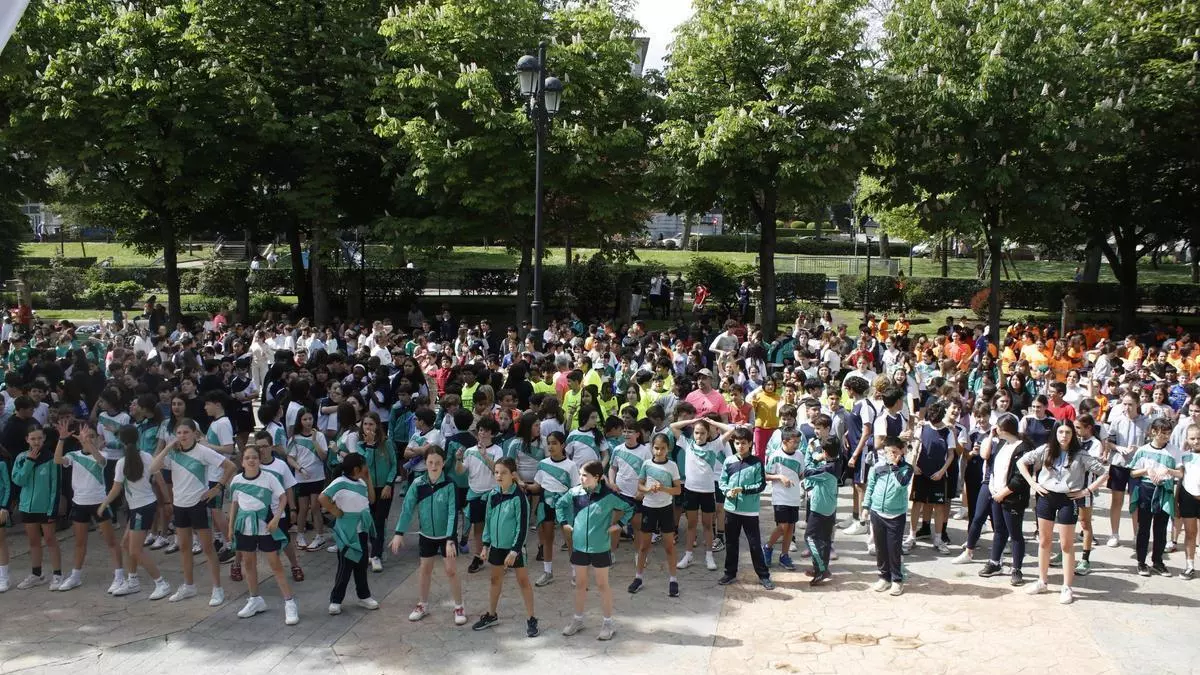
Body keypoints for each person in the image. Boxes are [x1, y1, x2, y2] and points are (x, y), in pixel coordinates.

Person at [1017, 421, 1107, 604]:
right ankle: (1042, 581)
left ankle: (1067, 587)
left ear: (1073, 434)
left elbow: (1104, 472)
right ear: (1055, 433)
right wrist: (1033, 483)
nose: (1064, 436)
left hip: (1068, 499)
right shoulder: (1046, 449)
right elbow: (1021, 461)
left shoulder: (1080, 454)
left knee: (1066, 544)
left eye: (1067, 432)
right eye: (1060, 432)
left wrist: (1087, 491)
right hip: (1046, 497)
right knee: (1044, 541)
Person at [150, 418, 236, 605]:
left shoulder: (203, 451)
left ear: (194, 434)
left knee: (208, 548)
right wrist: (168, 447)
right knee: (184, 547)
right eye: (179, 433)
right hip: (180, 505)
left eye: (186, 432)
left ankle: (217, 589)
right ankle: (189, 586)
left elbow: (230, 467)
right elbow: (153, 467)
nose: (182, 436)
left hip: (199, 505)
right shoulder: (173, 453)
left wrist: (217, 488)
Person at [392, 447, 466, 626]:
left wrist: (450, 539)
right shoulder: (418, 484)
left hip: (446, 536)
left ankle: (459, 606)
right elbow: (407, 509)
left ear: (443, 463)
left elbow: (452, 513)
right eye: (430, 462)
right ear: (425, 463)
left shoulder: (449, 484)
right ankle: (422, 605)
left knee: (451, 570)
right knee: (425, 569)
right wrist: (399, 533)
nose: (434, 466)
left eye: (438, 463)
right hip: (426, 535)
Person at [227, 445, 299, 625]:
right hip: (244, 527)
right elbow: (234, 504)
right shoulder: (236, 480)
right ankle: (255, 600)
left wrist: (276, 518)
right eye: (247, 458)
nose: (251, 460)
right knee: (248, 563)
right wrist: (230, 527)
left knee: (275, 564)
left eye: (254, 457)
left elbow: (283, 497)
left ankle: (289, 603)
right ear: (242, 462)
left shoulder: (269, 478)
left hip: (266, 526)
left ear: (259, 460)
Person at [98, 425, 171, 599]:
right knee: (126, 544)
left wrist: (103, 504)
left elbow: (116, 488)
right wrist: (168, 501)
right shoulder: (147, 456)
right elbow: (160, 480)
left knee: (135, 550)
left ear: (121, 441)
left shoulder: (122, 463)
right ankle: (132, 581)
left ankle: (161, 583)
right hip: (143, 506)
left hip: (141, 508)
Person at [557, 460, 627, 641]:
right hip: (579, 547)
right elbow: (559, 505)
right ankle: (578, 620)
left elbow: (630, 507)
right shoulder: (574, 492)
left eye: (585, 475)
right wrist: (564, 523)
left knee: (603, 585)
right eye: (580, 474)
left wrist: (619, 525)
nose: (581, 478)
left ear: (597, 477)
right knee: (580, 584)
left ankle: (608, 624)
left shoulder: (608, 496)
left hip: (600, 547)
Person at [53, 420, 124, 593]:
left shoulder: (103, 454)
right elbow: (57, 460)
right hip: (79, 504)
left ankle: (119, 576)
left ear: (98, 438)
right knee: (79, 543)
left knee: (111, 541)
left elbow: (100, 460)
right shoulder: (74, 455)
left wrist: (88, 443)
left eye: (92, 436)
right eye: (86, 436)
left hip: (99, 504)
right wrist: (61, 439)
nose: (88, 439)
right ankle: (75, 576)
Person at [473, 457, 539, 637]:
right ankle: (491, 615)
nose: (499, 476)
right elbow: (488, 521)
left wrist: (515, 550)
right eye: (496, 472)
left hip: (514, 549)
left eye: (503, 472)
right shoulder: (493, 495)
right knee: (495, 580)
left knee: (523, 581)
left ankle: (531, 618)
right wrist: (485, 545)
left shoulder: (519, 497)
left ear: (513, 475)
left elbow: (522, 527)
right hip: (496, 547)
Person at [671, 415, 735, 571]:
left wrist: (712, 422)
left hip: (707, 492)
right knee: (691, 525)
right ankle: (688, 555)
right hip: (690, 491)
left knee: (707, 525)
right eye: (696, 432)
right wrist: (692, 421)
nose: (699, 436)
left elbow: (730, 430)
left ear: (708, 434)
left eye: (702, 433)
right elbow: (673, 426)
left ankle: (709, 556)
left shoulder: (715, 445)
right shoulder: (687, 444)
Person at [319, 453, 380, 615]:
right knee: (345, 567)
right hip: (347, 532)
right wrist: (334, 510)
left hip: (361, 530)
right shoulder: (339, 482)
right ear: (356, 469)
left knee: (361, 565)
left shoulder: (362, 482)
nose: (367, 468)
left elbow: (372, 499)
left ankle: (364, 596)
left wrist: (369, 480)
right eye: (364, 465)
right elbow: (323, 497)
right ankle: (336, 600)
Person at [717, 427, 774, 590]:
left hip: (749, 511)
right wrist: (727, 491)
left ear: (750, 444)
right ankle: (729, 573)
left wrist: (743, 490)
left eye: (743, 443)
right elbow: (722, 482)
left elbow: (761, 485)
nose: (740, 446)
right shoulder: (729, 461)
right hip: (731, 509)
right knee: (731, 544)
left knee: (754, 544)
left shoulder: (757, 462)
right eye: (737, 443)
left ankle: (763, 575)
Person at [11, 424, 64, 590]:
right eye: (33, 438)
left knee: (50, 539)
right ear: (27, 439)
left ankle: (57, 575)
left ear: (44, 439)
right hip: (27, 507)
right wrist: (29, 462)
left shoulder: (51, 458)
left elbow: (56, 486)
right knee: (33, 541)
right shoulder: (21, 457)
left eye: (39, 438)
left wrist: (52, 510)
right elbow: (18, 480)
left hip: (46, 508)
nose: (36, 442)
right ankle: (36, 574)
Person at [1128, 417, 1182, 577]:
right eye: (1162, 433)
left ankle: (1158, 561)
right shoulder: (1143, 450)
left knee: (1161, 528)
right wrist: (1146, 470)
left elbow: (1180, 473)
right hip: (1146, 489)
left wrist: (1169, 471)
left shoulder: (1174, 450)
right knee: (1144, 527)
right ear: (1153, 432)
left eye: (1168, 433)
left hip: (1165, 490)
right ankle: (1141, 562)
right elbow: (1132, 472)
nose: (1165, 436)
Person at [861, 435, 913, 596]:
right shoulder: (877, 467)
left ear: (902, 451)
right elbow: (870, 486)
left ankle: (897, 580)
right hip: (877, 512)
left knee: (894, 549)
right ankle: (884, 577)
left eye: (894, 452)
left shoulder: (907, 469)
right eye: (887, 452)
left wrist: (895, 467)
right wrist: (866, 506)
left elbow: (901, 485)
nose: (890, 455)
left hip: (896, 515)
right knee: (880, 548)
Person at [631, 432, 681, 596]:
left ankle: (673, 580)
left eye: (663, 448)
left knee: (669, 546)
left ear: (668, 449)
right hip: (649, 508)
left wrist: (664, 488)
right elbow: (640, 486)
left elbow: (678, 490)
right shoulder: (646, 464)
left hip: (665, 508)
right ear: (652, 448)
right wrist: (647, 489)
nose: (659, 452)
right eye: (656, 448)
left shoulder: (672, 466)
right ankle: (638, 578)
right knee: (644, 546)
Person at [532, 431, 579, 587]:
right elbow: (537, 486)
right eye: (549, 443)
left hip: (565, 505)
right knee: (547, 539)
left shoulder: (571, 466)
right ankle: (548, 573)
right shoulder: (543, 464)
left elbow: (576, 489)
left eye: (554, 443)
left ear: (562, 445)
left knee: (570, 539)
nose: (551, 446)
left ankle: (576, 574)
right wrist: (522, 485)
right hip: (546, 504)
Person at [457, 417, 501, 574]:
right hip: (475, 494)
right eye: (481, 430)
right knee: (478, 527)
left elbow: (497, 471)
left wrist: (485, 455)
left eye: (486, 431)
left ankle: (499, 555)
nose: (482, 433)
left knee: (495, 526)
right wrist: (458, 460)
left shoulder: (497, 450)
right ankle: (479, 556)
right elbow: (460, 471)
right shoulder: (469, 451)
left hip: (493, 494)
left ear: (492, 434)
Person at [288, 408, 329, 551]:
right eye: (305, 419)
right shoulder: (294, 438)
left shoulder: (320, 436)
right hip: (301, 478)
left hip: (318, 477)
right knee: (303, 508)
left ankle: (320, 536)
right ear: (300, 421)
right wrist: (300, 469)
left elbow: (323, 456)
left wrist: (314, 440)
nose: (308, 422)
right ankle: (300, 535)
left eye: (310, 419)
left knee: (316, 507)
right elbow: (290, 458)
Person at [763, 428, 804, 571]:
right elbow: (766, 475)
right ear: (785, 441)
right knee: (783, 526)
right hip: (780, 497)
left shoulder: (799, 455)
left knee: (790, 527)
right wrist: (780, 477)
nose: (797, 445)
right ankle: (768, 547)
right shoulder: (775, 455)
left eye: (799, 442)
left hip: (794, 497)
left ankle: (784, 556)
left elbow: (801, 474)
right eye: (794, 442)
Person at [803, 437, 841, 586]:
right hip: (830, 507)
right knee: (824, 539)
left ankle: (820, 570)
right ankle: (822, 568)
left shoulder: (826, 469)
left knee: (810, 538)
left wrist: (813, 456)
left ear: (825, 452)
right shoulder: (837, 463)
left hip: (820, 508)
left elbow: (807, 472)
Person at [1178, 425, 1200, 579]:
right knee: (1190, 532)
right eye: (1192, 438)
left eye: (1199, 438)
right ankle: (1189, 565)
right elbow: (1180, 480)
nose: (1196, 441)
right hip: (1187, 497)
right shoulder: (1183, 457)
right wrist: (1175, 502)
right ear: (1187, 439)